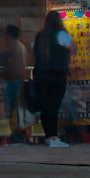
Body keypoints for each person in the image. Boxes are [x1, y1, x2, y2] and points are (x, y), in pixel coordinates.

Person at [33, 10, 76, 147]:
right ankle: (53, 137)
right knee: (54, 105)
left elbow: (33, 51)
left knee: (45, 106)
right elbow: (73, 49)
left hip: (40, 75)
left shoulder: (39, 36)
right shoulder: (61, 34)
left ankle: (48, 135)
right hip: (57, 75)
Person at [0, 24, 28, 143]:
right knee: (15, 108)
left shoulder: (13, 47)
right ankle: (17, 133)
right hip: (15, 81)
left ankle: (16, 134)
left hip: (14, 81)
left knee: (13, 109)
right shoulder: (19, 46)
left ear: (8, 35)